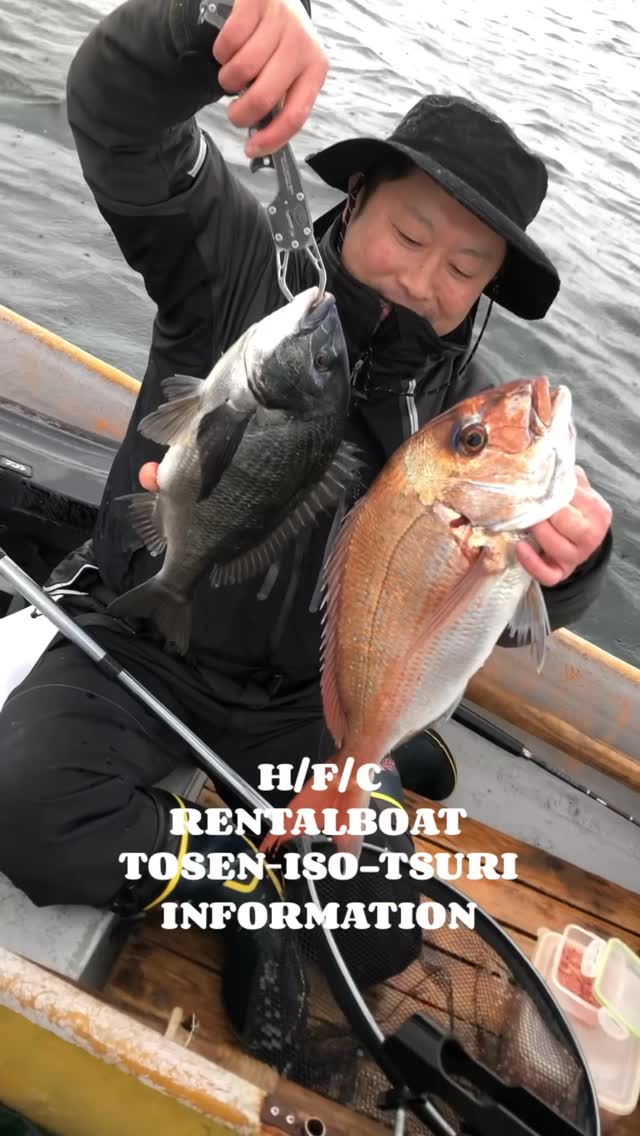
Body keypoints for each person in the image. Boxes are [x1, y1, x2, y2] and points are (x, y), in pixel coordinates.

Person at [0, 0, 612, 978]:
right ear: (357, 194)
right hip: (142, 639)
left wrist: (570, 566)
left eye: (465, 268)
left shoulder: (477, 426)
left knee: (382, 930)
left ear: (489, 286)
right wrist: (208, 19)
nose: (425, 279)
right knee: (25, 808)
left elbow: (495, 613)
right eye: (410, 233)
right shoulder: (241, 272)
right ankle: (248, 880)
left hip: (308, 709)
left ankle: (287, 838)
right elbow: (117, 116)